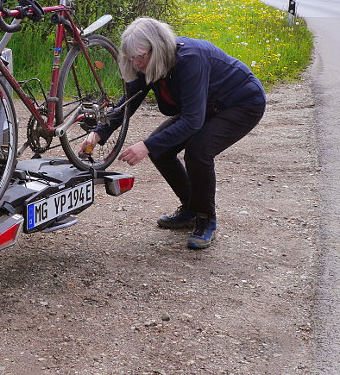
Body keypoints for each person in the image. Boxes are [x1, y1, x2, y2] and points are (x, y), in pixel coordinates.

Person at [81, 17, 266, 250]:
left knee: (199, 151)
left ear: (156, 48)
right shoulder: (146, 63)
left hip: (241, 103)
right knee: (161, 150)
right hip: (205, 105)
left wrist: (145, 145)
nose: (136, 62)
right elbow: (128, 103)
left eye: (140, 56)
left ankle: (206, 219)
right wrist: (99, 134)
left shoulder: (190, 60)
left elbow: (192, 121)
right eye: (131, 57)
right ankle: (190, 208)